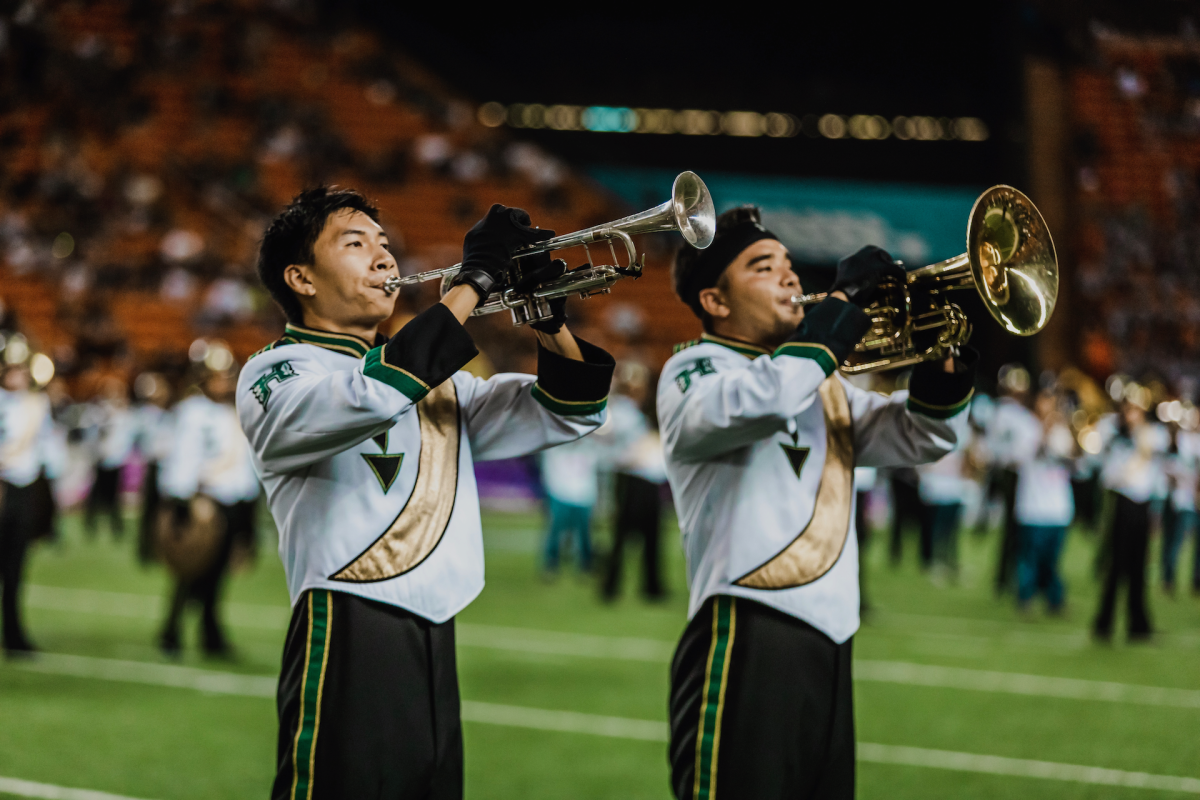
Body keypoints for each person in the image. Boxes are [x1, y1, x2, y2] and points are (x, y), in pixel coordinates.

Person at [238, 187, 614, 799]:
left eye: (385, 245)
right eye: (356, 244)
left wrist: (547, 322)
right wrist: (475, 282)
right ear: (300, 278)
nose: (384, 258)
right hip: (349, 626)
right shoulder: (278, 371)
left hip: (437, 634)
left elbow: (570, 411)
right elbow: (371, 394)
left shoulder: (439, 385)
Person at [659, 207, 975, 800]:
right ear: (716, 301)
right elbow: (763, 398)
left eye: (787, 263)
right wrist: (843, 305)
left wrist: (942, 362)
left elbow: (920, 436)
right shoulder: (694, 371)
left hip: (832, 641)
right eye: (762, 266)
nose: (790, 277)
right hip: (749, 628)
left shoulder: (822, 382)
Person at [157, 344, 260, 657]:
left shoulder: (235, 412)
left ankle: (209, 631)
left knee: (219, 574)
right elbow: (184, 457)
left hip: (233, 501)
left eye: (226, 377)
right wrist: (184, 499)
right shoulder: (193, 413)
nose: (223, 383)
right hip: (206, 502)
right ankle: (172, 629)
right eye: (216, 377)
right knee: (192, 570)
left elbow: (246, 462)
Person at [0, 345, 57, 655]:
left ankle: (13, 632)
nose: (18, 376)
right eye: (12, 369)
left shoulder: (37, 404)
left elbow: (48, 447)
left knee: (15, 568)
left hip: (24, 489)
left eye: (21, 369)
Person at [1093, 396, 1164, 641]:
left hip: (1143, 504)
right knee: (1116, 566)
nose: (1131, 414)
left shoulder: (1152, 434)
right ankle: (1104, 623)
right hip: (1123, 503)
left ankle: (1138, 624)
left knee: (1138, 568)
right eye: (1128, 409)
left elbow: (1155, 468)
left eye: (1136, 409)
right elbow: (1107, 472)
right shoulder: (1115, 436)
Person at [602, 360, 668, 601]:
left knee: (652, 535)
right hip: (630, 477)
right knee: (622, 535)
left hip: (648, 479)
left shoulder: (641, 411)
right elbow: (615, 441)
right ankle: (611, 584)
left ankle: (651, 586)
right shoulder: (620, 410)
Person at [1012, 390, 1076, 614]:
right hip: (1032, 507)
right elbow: (1021, 458)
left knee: (1052, 561)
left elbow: (1076, 462)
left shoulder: (1063, 430)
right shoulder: (1025, 426)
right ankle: (1025, 598)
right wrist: (1043, 433)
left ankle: (1054, 600)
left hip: (1058, 508)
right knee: (1029, 558)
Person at [987, 364, 1033, 593]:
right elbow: (1001, 445)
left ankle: (1009, 575)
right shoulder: (1005, 411)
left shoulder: (1018, 412)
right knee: (1012, 527)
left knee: (1016, 527)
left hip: (1020, 473)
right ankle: (1005, 577)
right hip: (1011, 472)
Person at [538, 434, 600, 577]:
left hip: (584, 495)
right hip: (560, 493)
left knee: (585, 533)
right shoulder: (555, 444)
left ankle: (586, 565)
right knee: (555, 531)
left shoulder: (590, 445)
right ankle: (551, 565)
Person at [84, 375, 135, 539]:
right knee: (96, 493)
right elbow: (90, 432)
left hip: (116, 459)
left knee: (115, 495)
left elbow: (126, 437)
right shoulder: (98, 411)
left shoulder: (125, 413)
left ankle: (116, 525)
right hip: (101, 458)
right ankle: (91, 523)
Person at [1161, 422, 1199, 595]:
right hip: (1182, 500)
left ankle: (1196, 581)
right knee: (1176, 541)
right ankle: (1168, 579)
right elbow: (1170, 470)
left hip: (1192, 500)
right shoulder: (1182, 441)